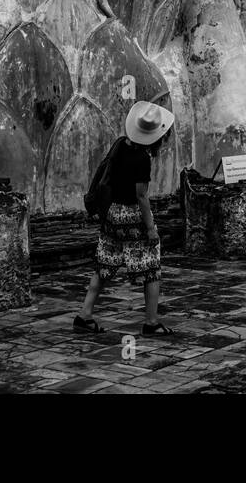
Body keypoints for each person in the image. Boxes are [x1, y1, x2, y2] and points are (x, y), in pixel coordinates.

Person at [74, 101, 176, 337]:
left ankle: (85, 314)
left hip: (113, 213)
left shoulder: (120, 145)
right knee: (151, 269)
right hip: (132, 216)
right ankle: (151, 321)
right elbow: (141, 196)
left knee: (104, 263)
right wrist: (150, 227)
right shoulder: (142, 158)